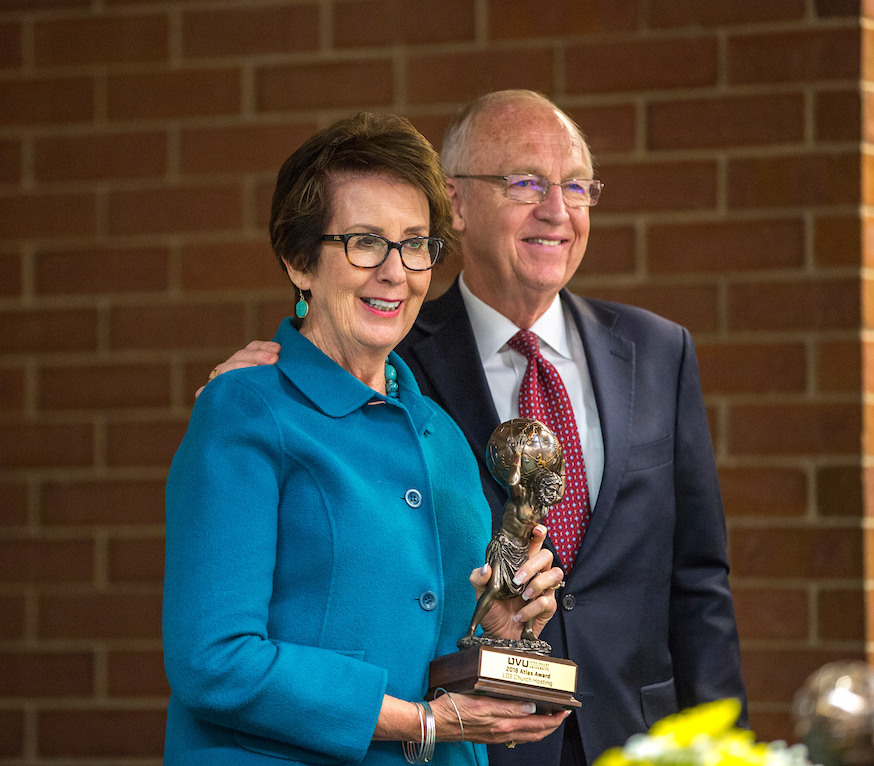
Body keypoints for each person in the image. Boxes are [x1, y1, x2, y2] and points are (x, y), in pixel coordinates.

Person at [205, 90, 749, 766]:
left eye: (577, 185)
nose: (557, 209)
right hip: (461, 744)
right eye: (525, 182)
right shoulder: (382, 362)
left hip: (633, 737)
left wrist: (722, 744)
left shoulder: (659, 352)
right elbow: (230, 645)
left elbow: (698, 582)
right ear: (457, 205)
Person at [164, 111, 570, 765]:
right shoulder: (243, 410)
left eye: (415, 244)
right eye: (364, 242)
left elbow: (424, 648)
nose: (396, 271)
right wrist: (422, 723)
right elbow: (214, 660)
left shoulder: (443, 436)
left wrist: (498, 626)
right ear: (300, 261)